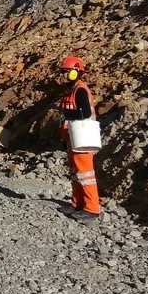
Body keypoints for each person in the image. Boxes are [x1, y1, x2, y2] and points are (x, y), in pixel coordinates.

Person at [58, 55, 100, 224]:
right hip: (73, 137)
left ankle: (92, 209)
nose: (64, 75)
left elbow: (85, 113)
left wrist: (67, 114)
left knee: (86, 174)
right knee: (76, 173)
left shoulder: (80, 89)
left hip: (83, 138)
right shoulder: (73, 89)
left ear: (76, 72)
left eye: (66, 72)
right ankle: (77, 204)